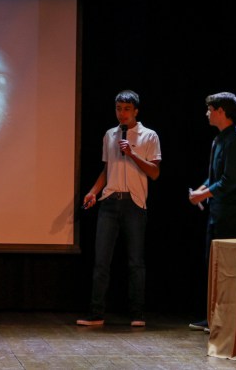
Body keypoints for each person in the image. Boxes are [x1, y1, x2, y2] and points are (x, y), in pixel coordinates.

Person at [77, 90, 161, 327]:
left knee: (135, 261)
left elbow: (155, 172)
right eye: (118, 109)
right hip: (110, 201)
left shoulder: (149, 135)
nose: (122, 113)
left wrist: (132, 154)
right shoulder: (110, 135)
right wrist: (93, 192)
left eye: (126, 109)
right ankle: (96, 313)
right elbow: (107, 170)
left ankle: (137, 313)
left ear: (136, 111)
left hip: (135, 202)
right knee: (101, 261)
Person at [188, 92, 236, 332]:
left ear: (221, 111)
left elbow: (229, 181)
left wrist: (203, 194)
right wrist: (201, 190)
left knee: (228, 268)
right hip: (218, 212)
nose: (207, 113)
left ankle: (226, 320)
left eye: (210, 109)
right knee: (214, 265)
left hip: (233, 214)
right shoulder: (219, 139)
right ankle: (213, 316)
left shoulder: (235, 141)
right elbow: (215, 176)